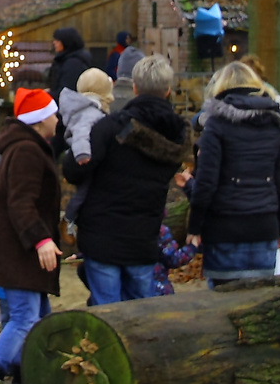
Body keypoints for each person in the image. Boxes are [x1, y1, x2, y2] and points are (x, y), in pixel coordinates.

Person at [62, 55, 190, 305]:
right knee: (141, 314)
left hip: (102, 235)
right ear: (167, 91)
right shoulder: (178, 138)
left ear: (134, 88)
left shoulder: (110, 127)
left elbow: (73, 171)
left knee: (106, 312)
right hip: (144, 236)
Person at [0, 88, 63, 383]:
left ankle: (21, 372)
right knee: (25, 320)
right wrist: (41, 239)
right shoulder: (27, 151)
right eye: (52, 113)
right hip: (18, 253)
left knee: (36, 317)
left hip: (17, 252)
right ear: (40, 120)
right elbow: (20, 202)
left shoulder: (26, 147)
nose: (57, 118)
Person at [186, 60, 280, 285]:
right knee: (257, 304)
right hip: (264, 225)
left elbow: (206, 182)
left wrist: (195, 227)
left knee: (221, 303)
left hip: (224, 228)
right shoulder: (276, 123)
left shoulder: (217, 124)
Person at [57, 67, 114, 229]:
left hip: (88, 153)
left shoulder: (88, 109)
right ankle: (69, 219)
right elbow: (81, 132)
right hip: (85, 154)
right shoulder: (90, 112)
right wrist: (82, 153)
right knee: (84, 191)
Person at [148, 225, 200, 296]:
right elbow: (174, 259)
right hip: (160, 290)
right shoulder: (159, 229)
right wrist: (193, 246)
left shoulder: (129, 228)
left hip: (133, 292)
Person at [45, 27, 91, 97]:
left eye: (57, 40)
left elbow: (67, 91)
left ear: (66, 42)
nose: (54, 42)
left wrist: (47, 95)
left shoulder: (73, 64)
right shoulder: (63, 59)